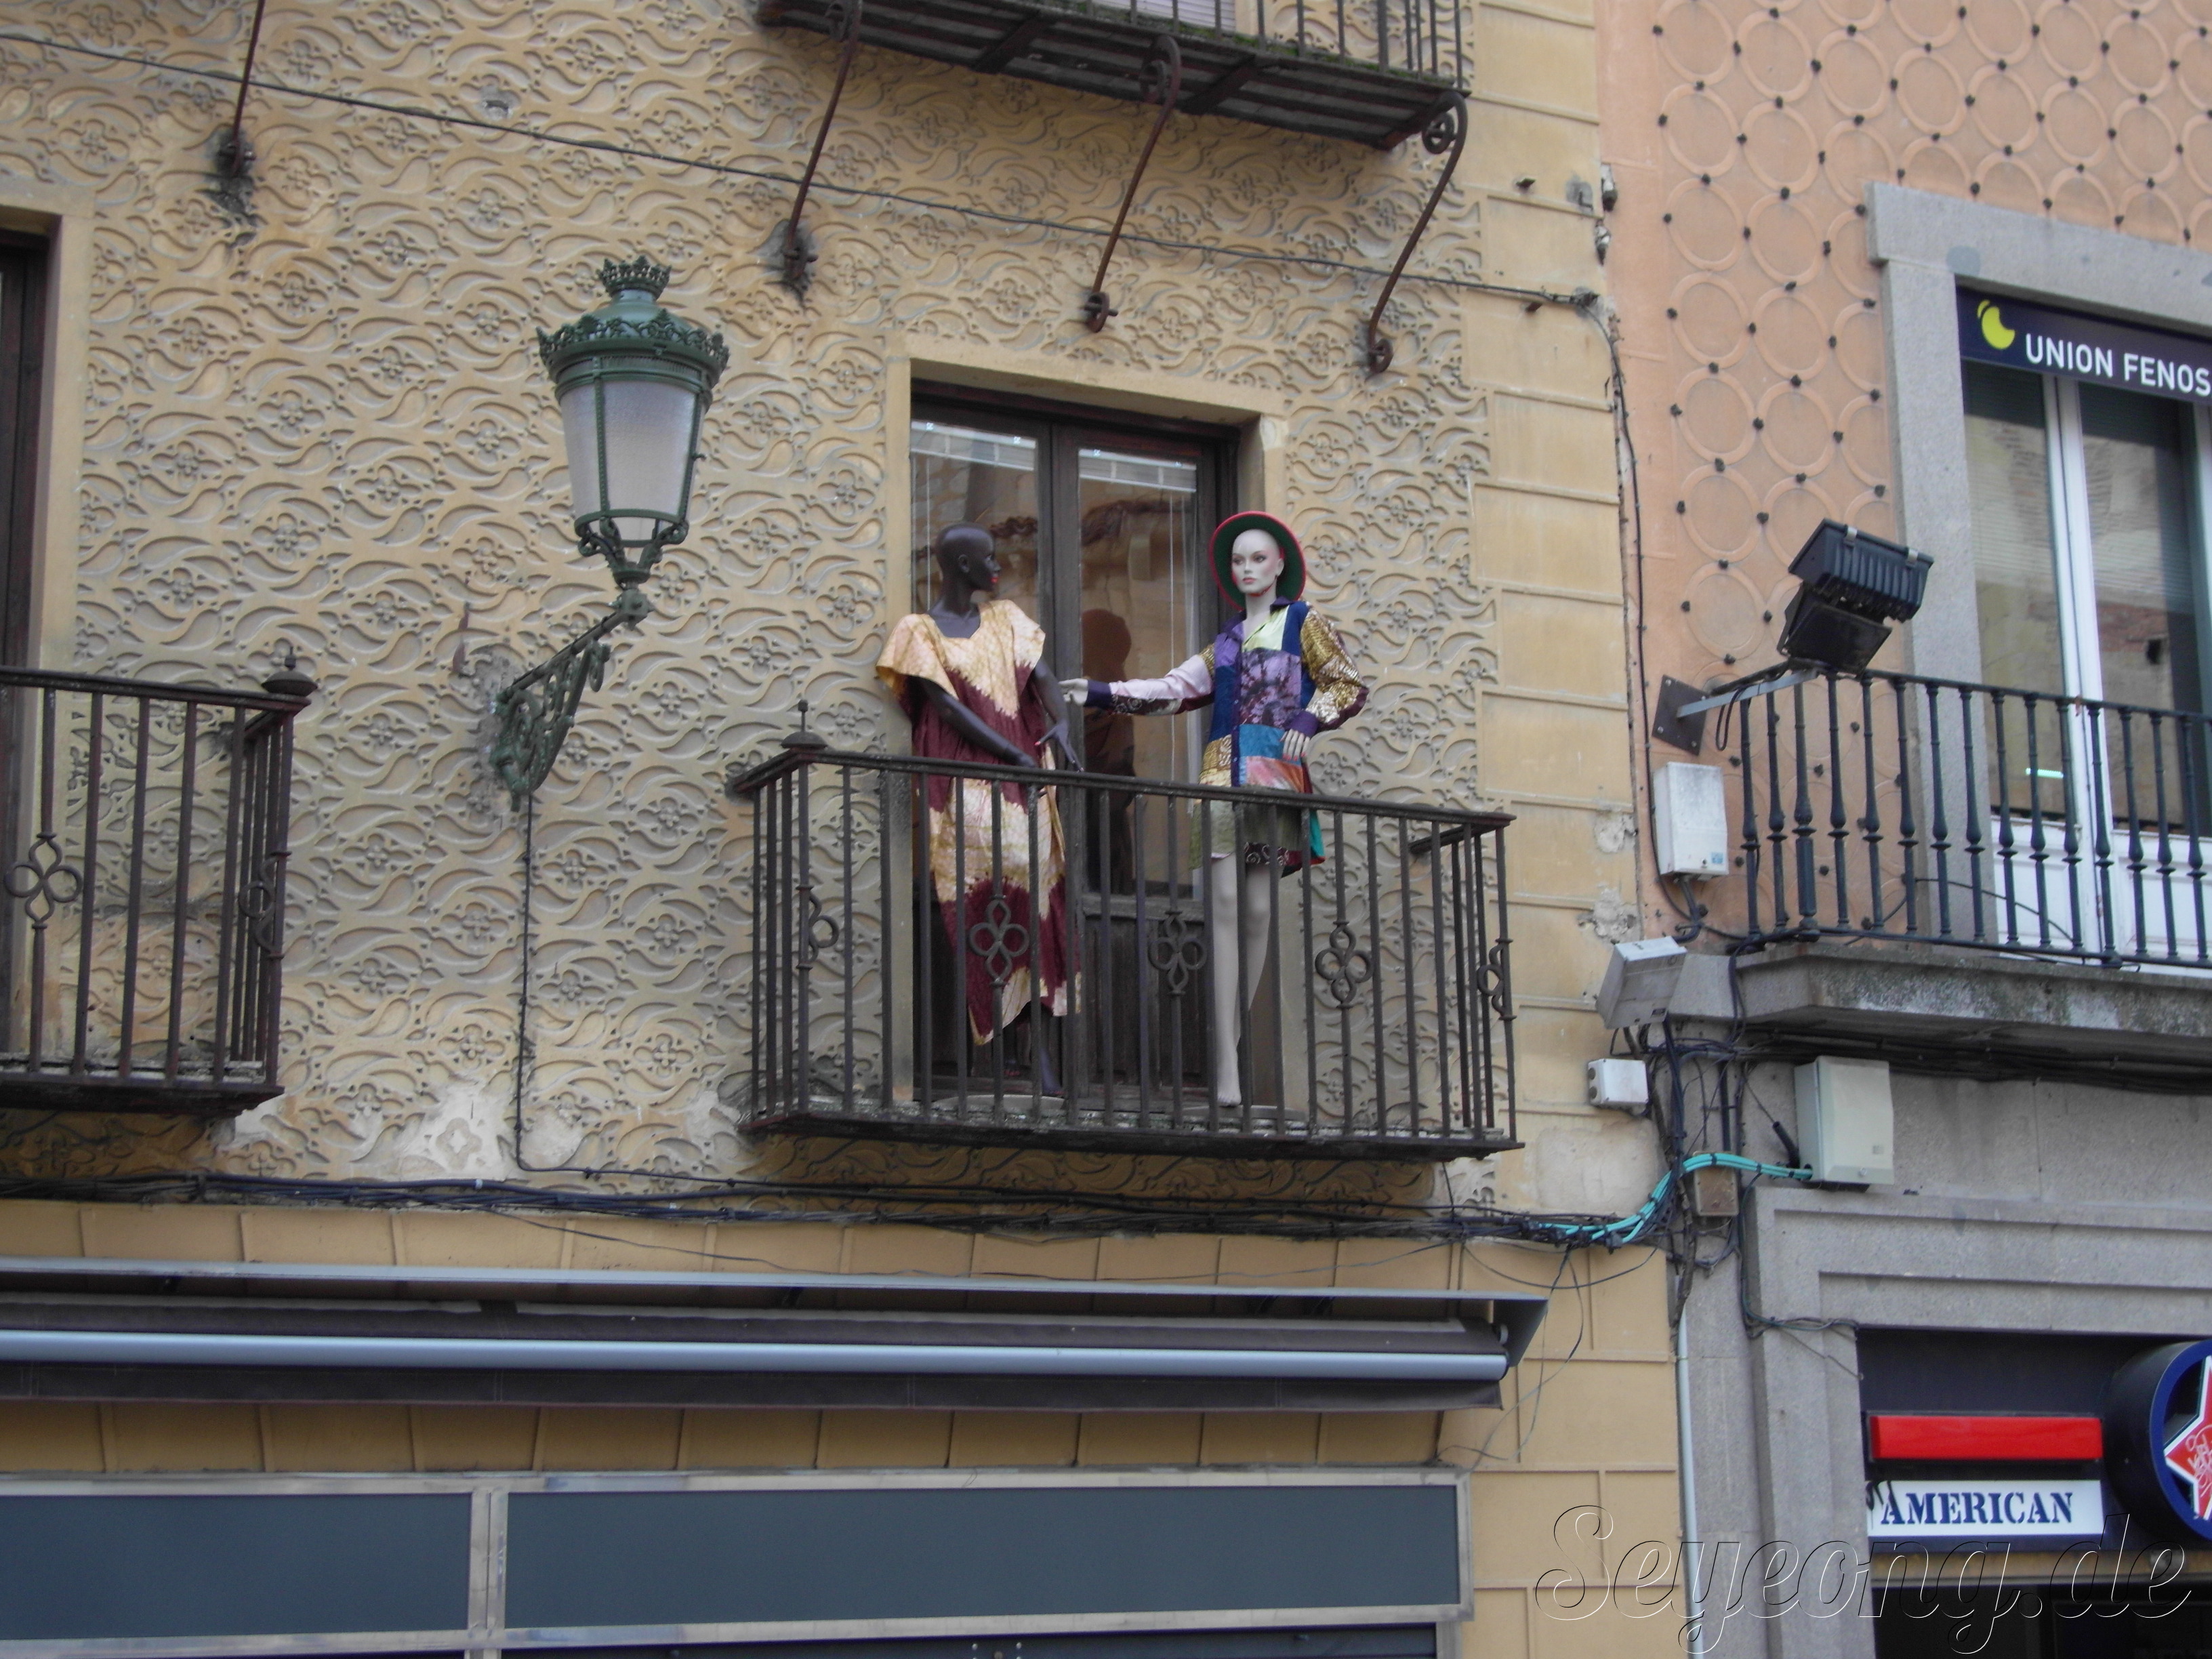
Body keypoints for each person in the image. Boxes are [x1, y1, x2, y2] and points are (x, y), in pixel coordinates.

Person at [1062, 512, 1368, 1105]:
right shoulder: (1224, 642)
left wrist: (1310, 719)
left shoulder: (1302, 621)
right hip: (1221, 774)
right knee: (1224, 906)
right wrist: (1099, 691)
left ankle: (1233, 1041)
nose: (1247, 568)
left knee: (1257, 911)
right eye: (1238, 560)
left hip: (1275, 775)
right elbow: (1171, 690)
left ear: (1279, 566)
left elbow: (1346, 684)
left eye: (1258, 558)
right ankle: (1225, 1062)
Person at [878, 523, 1073, 1092]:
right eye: (989, 558)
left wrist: (1060, 721)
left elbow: (1043, 676)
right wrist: (1012, 754)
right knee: (983, 902)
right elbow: (946, 706)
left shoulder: (1008, 617)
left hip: (1027, 780)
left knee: (1038, 902)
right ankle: (995, 1039)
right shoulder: (918, 631)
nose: (998, 566)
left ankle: (1036, 1049)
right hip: (970, 781)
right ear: (962, 565)